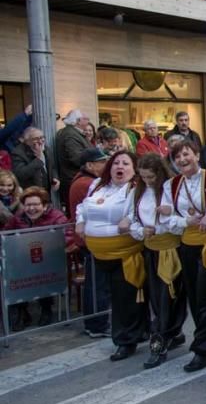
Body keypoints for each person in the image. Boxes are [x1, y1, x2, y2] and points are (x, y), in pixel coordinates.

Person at [75, 151, 148, 361]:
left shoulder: (136, 189)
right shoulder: (98, 184)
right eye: (116, 162)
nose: (120, 167)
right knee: (108, 295)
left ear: (134, 169)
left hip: (125, 253)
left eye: (126, 163)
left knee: (124, 298)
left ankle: (125, 341)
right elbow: (83, 206)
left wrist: (130, 219)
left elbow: (141, 212)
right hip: (98, 253)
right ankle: (136, 331)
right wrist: (80, 220)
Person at [167, 139, 206, 372]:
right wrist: (185, 221)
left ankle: (202, 349)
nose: (183, 160)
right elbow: (167, 218)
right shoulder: (171, 185)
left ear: (196, 154)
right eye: (178, 157)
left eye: (186, 154)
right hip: (187, 245)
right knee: (194, 295)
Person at [130, 154, 184, 369]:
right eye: (143, 177)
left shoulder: (171, 189)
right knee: (156, 298)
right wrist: (141, 230)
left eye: (151, 177)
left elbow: (184, 219)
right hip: (150, 249)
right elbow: (131, 219)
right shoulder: (138, 191)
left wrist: (168, 217)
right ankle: (170, 333)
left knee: (167, 298)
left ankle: (160, 340)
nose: (147, 181)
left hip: (172, 249)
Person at [8, 187, 73, 327]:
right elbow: (5, 235)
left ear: (44, 205)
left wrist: (48, 247)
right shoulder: (18, 218)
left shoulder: (57, 217)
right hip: (23, 261)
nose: (31, 208)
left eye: (36, 204)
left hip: (50, 260)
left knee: (42, 269)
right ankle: (20, 308)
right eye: (28, 205)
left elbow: (68, 236)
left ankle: (46, 308)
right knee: (15, 271)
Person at [68, 148, 112, 337]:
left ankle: (96, 322)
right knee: (97, 284)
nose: (106, 165)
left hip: (90, 238)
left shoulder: (84, 181)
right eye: (102, 162)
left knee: (97, 282)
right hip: (90, 240)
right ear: (90, 165)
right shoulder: (87, 183)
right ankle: (96, 324)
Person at [12, 127, 57, 196]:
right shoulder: (18, 153)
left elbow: (53, 167)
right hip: (30, 193)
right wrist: (38, 159)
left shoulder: (46, 149)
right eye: (36, 139)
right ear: (27, 141)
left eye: (42, 137)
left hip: (46, 191)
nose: (40, 141)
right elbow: (21, 174)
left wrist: (55, 178)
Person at [55, 109, 91, 194]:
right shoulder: (70, 135)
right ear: (78, 121)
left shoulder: (73, 133)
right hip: (73, 179)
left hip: (75, 178)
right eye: (86, 119)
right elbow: (77, 158)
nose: (88, 121)